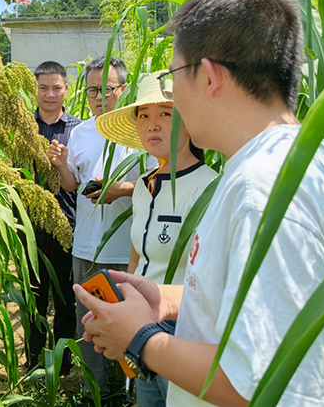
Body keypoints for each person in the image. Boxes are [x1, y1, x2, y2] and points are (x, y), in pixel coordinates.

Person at [74, 0, 324, 407]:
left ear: (209, 76)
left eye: (175, 77)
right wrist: (166, 299)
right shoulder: (298, 160)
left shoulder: (263, 188)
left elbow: (262, 383)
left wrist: (140, 340)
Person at [94, 70, 218, 407]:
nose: (153, 124)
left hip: (185, 330)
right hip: (141, 324)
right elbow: (137, 257)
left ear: (189, 121)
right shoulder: (143, 188)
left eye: (166, 114)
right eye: (144, 116)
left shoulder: (209, 188)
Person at [48, 56, 156, 403]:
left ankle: (137, 394)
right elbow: (71, 185)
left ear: (122, 90)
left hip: (128, 251)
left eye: (106, 89)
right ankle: (95, 393)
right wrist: (63, 166)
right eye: (92, 90)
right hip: (87, 247)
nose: (98, 97)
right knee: (89, 327)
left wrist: (118, 190)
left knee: (136, 327)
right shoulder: (80, 132)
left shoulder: (140, 131)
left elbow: (158, 182)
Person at [25, 61, 82, 374]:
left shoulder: (79, 129)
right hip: (28, 226)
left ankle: (63, 366)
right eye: (43, 87)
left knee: (64, 298)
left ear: (66, 89)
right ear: (35, 89)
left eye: (56, 87)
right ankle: (33, 363)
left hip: (65, 225)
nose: (50, 94)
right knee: (34, 296)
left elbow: (80, 179)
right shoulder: (23, 128)